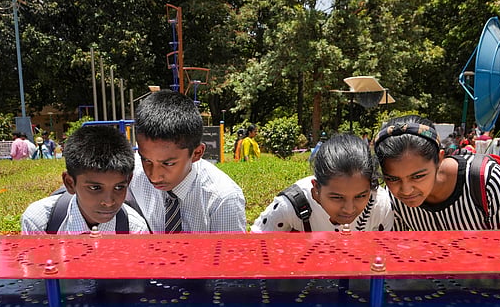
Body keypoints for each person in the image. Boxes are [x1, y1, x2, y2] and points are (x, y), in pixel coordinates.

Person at [373, 115, 500, 230]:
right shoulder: (392, 197)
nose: (406, 190)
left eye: (418, 176)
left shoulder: (484, 178)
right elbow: (399, 252)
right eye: (393, 179)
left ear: (439, 159)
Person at [127, 90, 246, 233]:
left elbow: (228, 254)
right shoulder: (130, 175)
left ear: (197, 153)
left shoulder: (223, 199)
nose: (154, 176)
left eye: (168, 164)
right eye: (146, 160)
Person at [21, 124, 148, 234]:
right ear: (70, 183)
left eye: (119, 187)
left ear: (128, 181)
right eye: (95, 188)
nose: (108, 202)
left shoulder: (135, 229)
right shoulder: (41, 222)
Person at [251, 134, 393, 233]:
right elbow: (258, 247)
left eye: (360, 196)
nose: (349, 209)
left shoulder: (380, 204)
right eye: (337, 197)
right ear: (316, 190)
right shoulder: (291, 204)